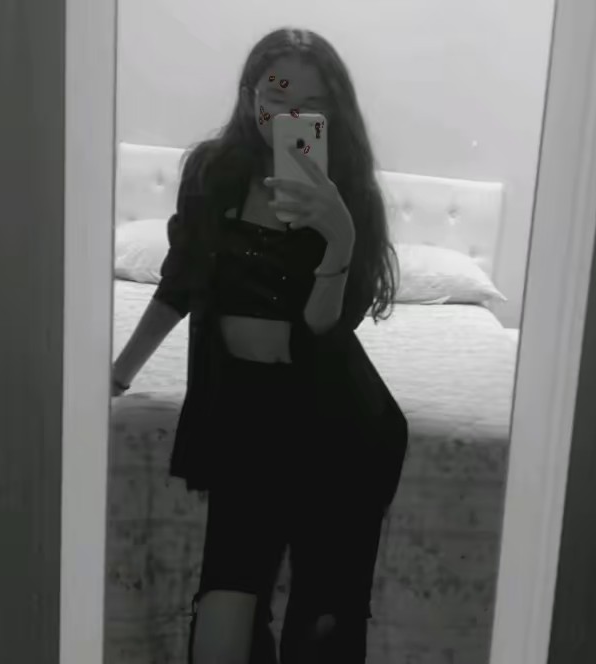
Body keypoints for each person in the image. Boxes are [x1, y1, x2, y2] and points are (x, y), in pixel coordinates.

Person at [111, 26, 408, 664]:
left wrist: (339, 240)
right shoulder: (213, 172)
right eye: (276, 96)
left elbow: (329, 327)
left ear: (333, 111)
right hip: (243, 408)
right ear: (250, 96)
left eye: (311, 103)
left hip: (337, 421)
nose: (288, 115)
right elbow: (181, 281)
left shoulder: (350, 194)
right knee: (226, 595)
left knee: (325, 611)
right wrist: (118, 374)